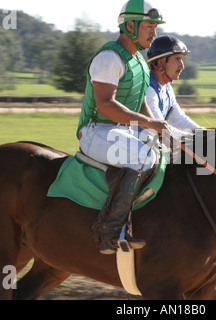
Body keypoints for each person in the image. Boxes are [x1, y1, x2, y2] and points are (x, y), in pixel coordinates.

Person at [76, 0, 168, 254]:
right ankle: (108, 232)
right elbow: (105, 106)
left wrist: (157, 131)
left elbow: (139, 105)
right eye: (149, 26)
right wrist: (150, 124)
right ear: (130, 25)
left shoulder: (138, 59)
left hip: (120, 130)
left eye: (155, 27)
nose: (154, 33)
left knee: (164, 153)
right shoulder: (109, 57)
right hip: (96, 131)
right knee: (142, 156)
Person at [146, 35, 204, 140]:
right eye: (177, 59)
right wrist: (196, 137)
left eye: (181, 60)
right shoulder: (148, 89)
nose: (182, 66)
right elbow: (161, 128)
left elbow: (179, 118)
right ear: (160, 63)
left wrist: (203, 132)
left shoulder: (167, 87)